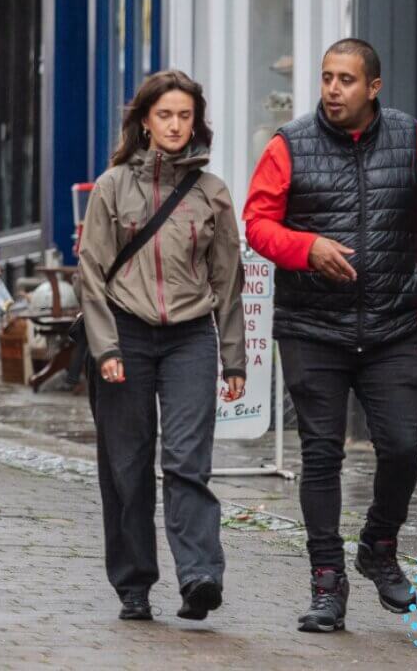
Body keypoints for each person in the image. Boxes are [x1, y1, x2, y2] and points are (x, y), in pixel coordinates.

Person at [243, 38, 417, 633]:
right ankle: (327, 582)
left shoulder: (413, 140)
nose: (332, 90)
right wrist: (306, 248)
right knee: (321, 456)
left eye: (345, 80)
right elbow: (257, 223)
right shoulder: (289, 145)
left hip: (392, 325)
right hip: (313, 327)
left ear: (374, 88)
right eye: (326, 77)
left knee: (403, 448)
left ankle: (378, 546)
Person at [76, 70, 247, 623]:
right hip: (123, 334)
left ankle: (200, 575)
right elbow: (92, 274)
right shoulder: (112, 186)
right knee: (126, 466)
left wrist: (233, 357)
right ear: (145, 122)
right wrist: (105, 349)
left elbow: (228, 280)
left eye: (185, 116)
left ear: (196, 123)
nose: (175, 125)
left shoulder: (211, 192)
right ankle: (133, 585)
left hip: (190, 337)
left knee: (187, 461)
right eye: (165, 115)